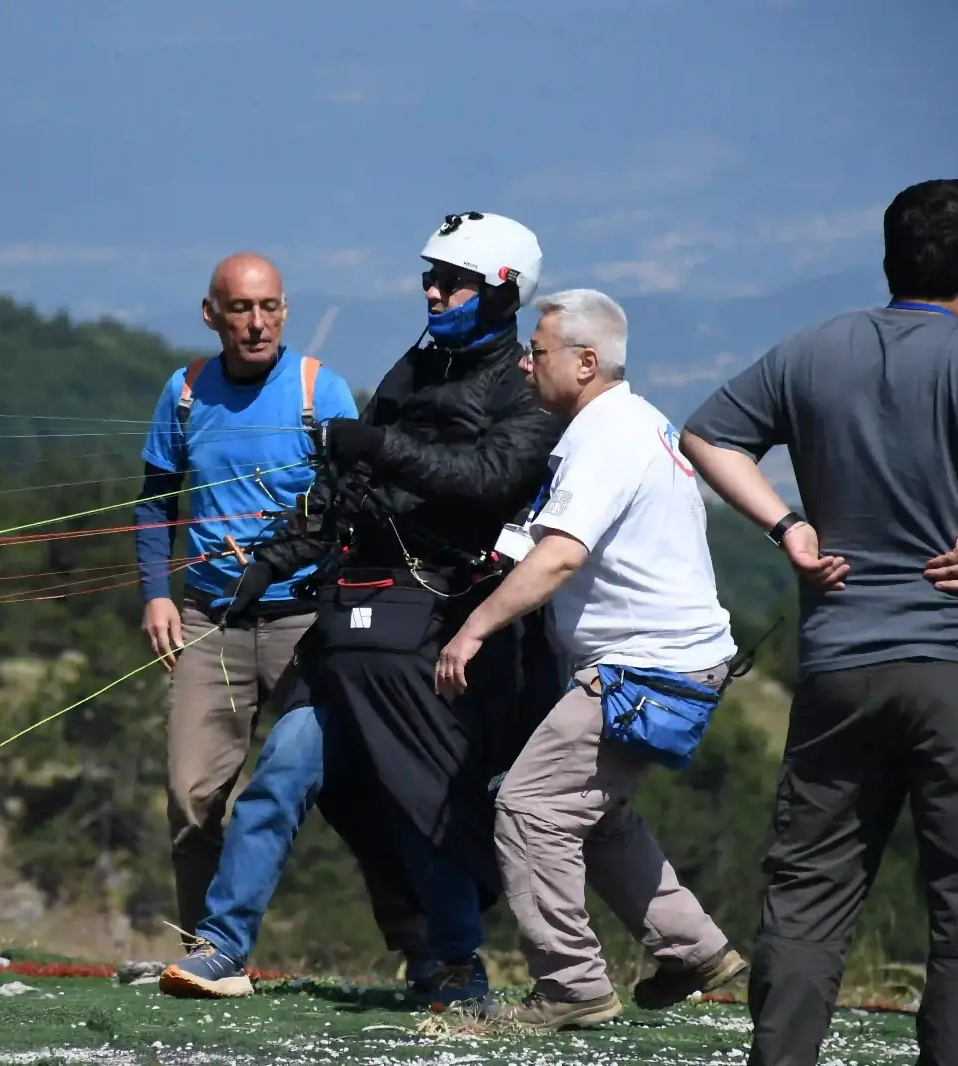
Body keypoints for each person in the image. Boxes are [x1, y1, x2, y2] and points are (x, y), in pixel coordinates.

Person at [679, 179, 958, 1066]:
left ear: (889, 261)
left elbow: (707, 435)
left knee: (810, 897)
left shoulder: (814, 350)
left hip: (840, 665)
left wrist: (788, 527)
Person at [166, 213, 569, 1005]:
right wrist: (275, 563)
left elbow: (492, 476)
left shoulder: (522, 388)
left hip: (442, 636)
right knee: (283, 770)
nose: (432, 291)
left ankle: (452, 965)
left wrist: (378, 448)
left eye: (450, 280)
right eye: (429, 274)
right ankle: (220, 946)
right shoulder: (411, 371)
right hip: (354, 617)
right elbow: (340, 495)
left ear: (499, 292)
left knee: (422, 797)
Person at [434, 288, 749, 1029]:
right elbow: (557, 541)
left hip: (643, 669)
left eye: (537, 351)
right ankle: (694, 948)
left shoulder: (605, 435)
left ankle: (570, 986)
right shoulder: (629, 424)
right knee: (590, 811)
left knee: (530, 806)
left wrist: (471, 629)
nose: (524, 361)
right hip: (677, 661)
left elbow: (560, 558)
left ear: (584, 361)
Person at [134, 252, 431, 977]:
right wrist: (156, 592)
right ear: (212, 315)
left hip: (307, 624)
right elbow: (153, 499)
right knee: (192, 798)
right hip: (211, 621)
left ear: (286, 311)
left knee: (350, 794)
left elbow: (356, 502)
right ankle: (208, 957)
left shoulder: (316, 390)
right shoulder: (183, 393)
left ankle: (427, 950)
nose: (256, 323)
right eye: (239, 308)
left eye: (268, 307)